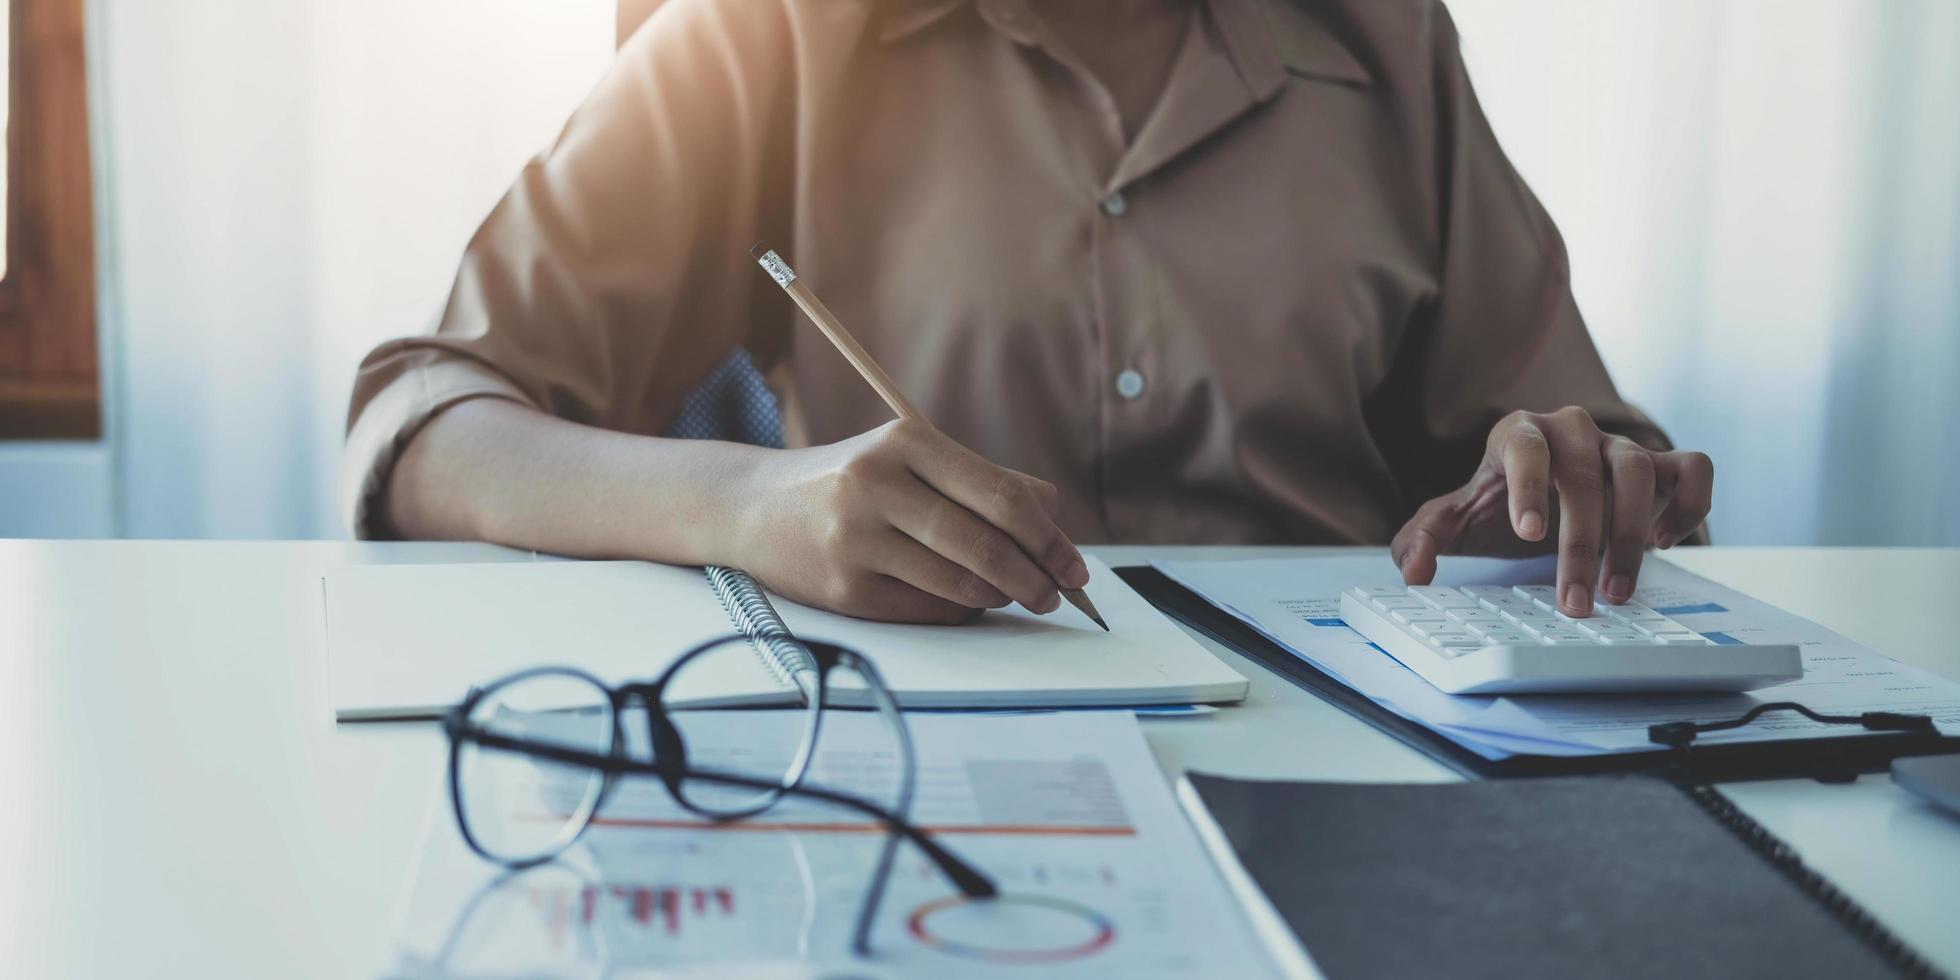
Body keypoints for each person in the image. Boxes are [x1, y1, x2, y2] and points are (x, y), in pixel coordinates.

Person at [342, 0, 1712, 625]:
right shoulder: (770, 35)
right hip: (936, 766)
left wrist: (1571, 471)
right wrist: (747, 508)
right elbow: (420, 427)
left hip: (1362, 761)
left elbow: (1563, 422)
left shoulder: (1385, 37)